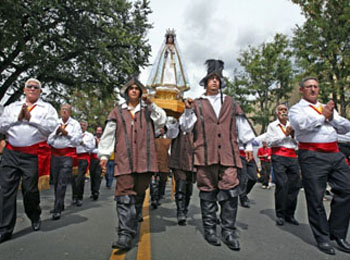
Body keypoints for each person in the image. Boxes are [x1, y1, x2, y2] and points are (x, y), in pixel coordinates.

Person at [180, 59, 255, 251]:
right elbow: (186, 127)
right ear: (205, 83)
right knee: (208, 192)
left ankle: (228, 230)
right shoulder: (196, 103)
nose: (215, 81)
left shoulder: (231, 102)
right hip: (205, 155)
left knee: (231, 192)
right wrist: (187, 111)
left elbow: (242, 126)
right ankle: (210, 229)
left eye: (217, 79)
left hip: (229, 155)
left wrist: (248, 145)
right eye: (211, 79)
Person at [98, 77, 166, 250]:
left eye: (137, 88)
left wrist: (151, 103)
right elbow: (108, 135)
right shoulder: (117, 112)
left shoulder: (148, 110)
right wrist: (104, 155)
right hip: (124, 160)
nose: (134, 90)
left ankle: (132, 220)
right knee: (124, 195)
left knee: (139, 192)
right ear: (126, 92)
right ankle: (125, 234)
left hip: (145, 160)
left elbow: (162, 120)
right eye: (131, 88)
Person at [289, 76, 350, 255]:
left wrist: (330, 118)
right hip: (312, 155)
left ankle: (337, 233)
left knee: (347, 189)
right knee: (316, 197)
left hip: (334, 153)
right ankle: (322, 237)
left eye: (316, 86)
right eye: (309, 87)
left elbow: (346, 127)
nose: (313, 89)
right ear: (302, 90)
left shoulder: (326, 108)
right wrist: (322, 117)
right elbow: (301, 126)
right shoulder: (296, 110)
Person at [0, 78, 59, 243]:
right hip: (11, 153)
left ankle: (34, 215)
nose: (32, 89)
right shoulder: (12, 108)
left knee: (30, 190)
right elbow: (1, 125)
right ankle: (5, 229)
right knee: (6, 191)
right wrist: (18, 118)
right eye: (29, 87)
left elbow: (50, 128)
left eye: (36, 87)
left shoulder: (47, 109)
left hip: (32, 154)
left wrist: (31, 118)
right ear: (24, 90)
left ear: (40, 91)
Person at [265, 104, 301, 226]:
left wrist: (293, 135)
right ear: (277, 113)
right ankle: (280, 214)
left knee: (294, 185)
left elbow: (299, 143)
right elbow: (269, 142)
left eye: (285, 109)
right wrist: (284, 134)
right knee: (282, 184)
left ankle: (290, 214)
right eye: (281, 110)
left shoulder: (293, 126)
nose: (284, 112)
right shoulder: (272, 126)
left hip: (292, 156)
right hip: (279, 156)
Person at [48, 104, 81, 220]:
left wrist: (67, 134)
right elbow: (49, 140)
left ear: (70, 112)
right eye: (62, 110)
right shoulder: (55, 123)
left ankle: (57, 209)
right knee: (56, 181)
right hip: (55, 155)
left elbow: (77, 141)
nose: (64, 112)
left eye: (66, 110)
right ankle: (59, 204)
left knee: (62, 182)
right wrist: (56, 133)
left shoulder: (75, 124)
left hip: (68, 155)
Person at [168, 118, 195, 225]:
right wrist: (174, 123)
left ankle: (185, 209)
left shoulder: (195, 121)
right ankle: (180, 212)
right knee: (180, 185)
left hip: (191, 159)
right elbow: (170, 134)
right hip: (177, 158)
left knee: (188, 188)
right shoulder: (175, 123)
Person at [73, 121, 95, 207]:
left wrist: (83, 143)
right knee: (73, 178)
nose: (82, 126)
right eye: (81, 125)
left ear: (87, 126)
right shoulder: (74, 134)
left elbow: (91, 147)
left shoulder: (89, 136)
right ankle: (74, 196)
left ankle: (79, 197)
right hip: (74, 157)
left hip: (83, 157)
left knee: (80, 178)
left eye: (84, 125)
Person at [150, 127, 171, 209]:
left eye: (162, 129)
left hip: (164, 164)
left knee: (162, 182)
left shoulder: (169, 140)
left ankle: (159, 197)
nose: (160, 130)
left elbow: (170, 153)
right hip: (154, 164)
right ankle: (154, 199)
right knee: (153, 182)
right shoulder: (152, 140)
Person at [238, 141, 258, 208]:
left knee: (254, 177)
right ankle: (243, 197)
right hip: (239, 154)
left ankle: (243, 193)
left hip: (249, 155)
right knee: (243, 178)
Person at [89, 126, 103, 201]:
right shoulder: (92, 139)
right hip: (93, 159)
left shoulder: (104, 139)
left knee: (98, 175)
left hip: (100, 159)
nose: (99, 132)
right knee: (92, 175)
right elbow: (90, 149)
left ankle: (96, 191)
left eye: (100, 131)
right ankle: (93, 191)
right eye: (98, 131)